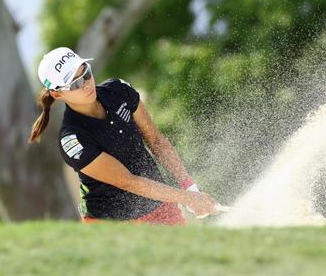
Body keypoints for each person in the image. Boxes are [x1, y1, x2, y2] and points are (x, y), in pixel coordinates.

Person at [28, 47, 218, 225]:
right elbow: (129, 181)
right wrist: (188, 199)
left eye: (86, 73)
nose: (86, 84)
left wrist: (189, 187)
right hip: (113, 224)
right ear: (57, 94)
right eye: (75, 83)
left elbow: (157, 141)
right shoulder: (72, 139)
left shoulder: (118, 91)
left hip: (160, 204)